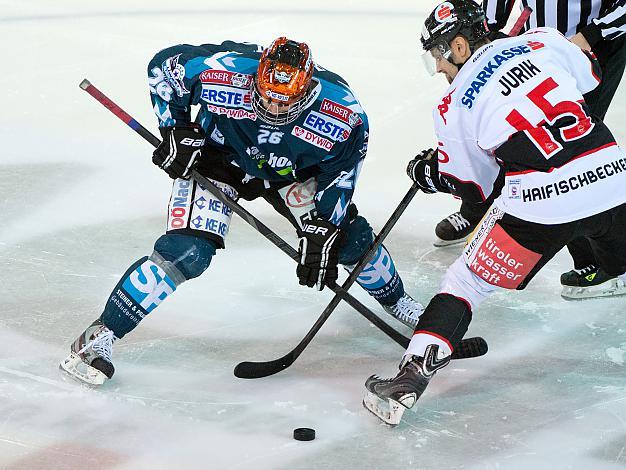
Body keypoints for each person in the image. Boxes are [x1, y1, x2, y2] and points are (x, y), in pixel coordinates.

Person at [60, 37, 425, 386]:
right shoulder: (226, 71)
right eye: (267, 99)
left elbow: (340, 175)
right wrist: (176, 128)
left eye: (286, 104)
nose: (274, 110)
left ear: (306, 92)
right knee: (187, 253)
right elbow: (165, 66)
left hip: (291, 172)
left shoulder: (343, 113)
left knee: (349, 241)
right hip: (220, 158)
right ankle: (97, 336)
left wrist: (323, 228)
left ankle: (399, 301)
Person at [363, 0, 626, 425]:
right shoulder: (541, 40)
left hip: (541, 205)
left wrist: (433, 172)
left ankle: (409, 380)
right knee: (609, 227)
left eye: (438, 57)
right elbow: (588, 78)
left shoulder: (452, 107)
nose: (440, 70)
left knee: (464, 282)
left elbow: (477, 188)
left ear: (461, 46)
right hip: (611, 175)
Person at [431, 0, 626, 300]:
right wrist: (486, 34)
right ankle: (476, 207)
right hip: (534, 42)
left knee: (570, 150)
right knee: (505, 132)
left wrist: (590, 36)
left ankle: (597, 262)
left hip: (595, 44)